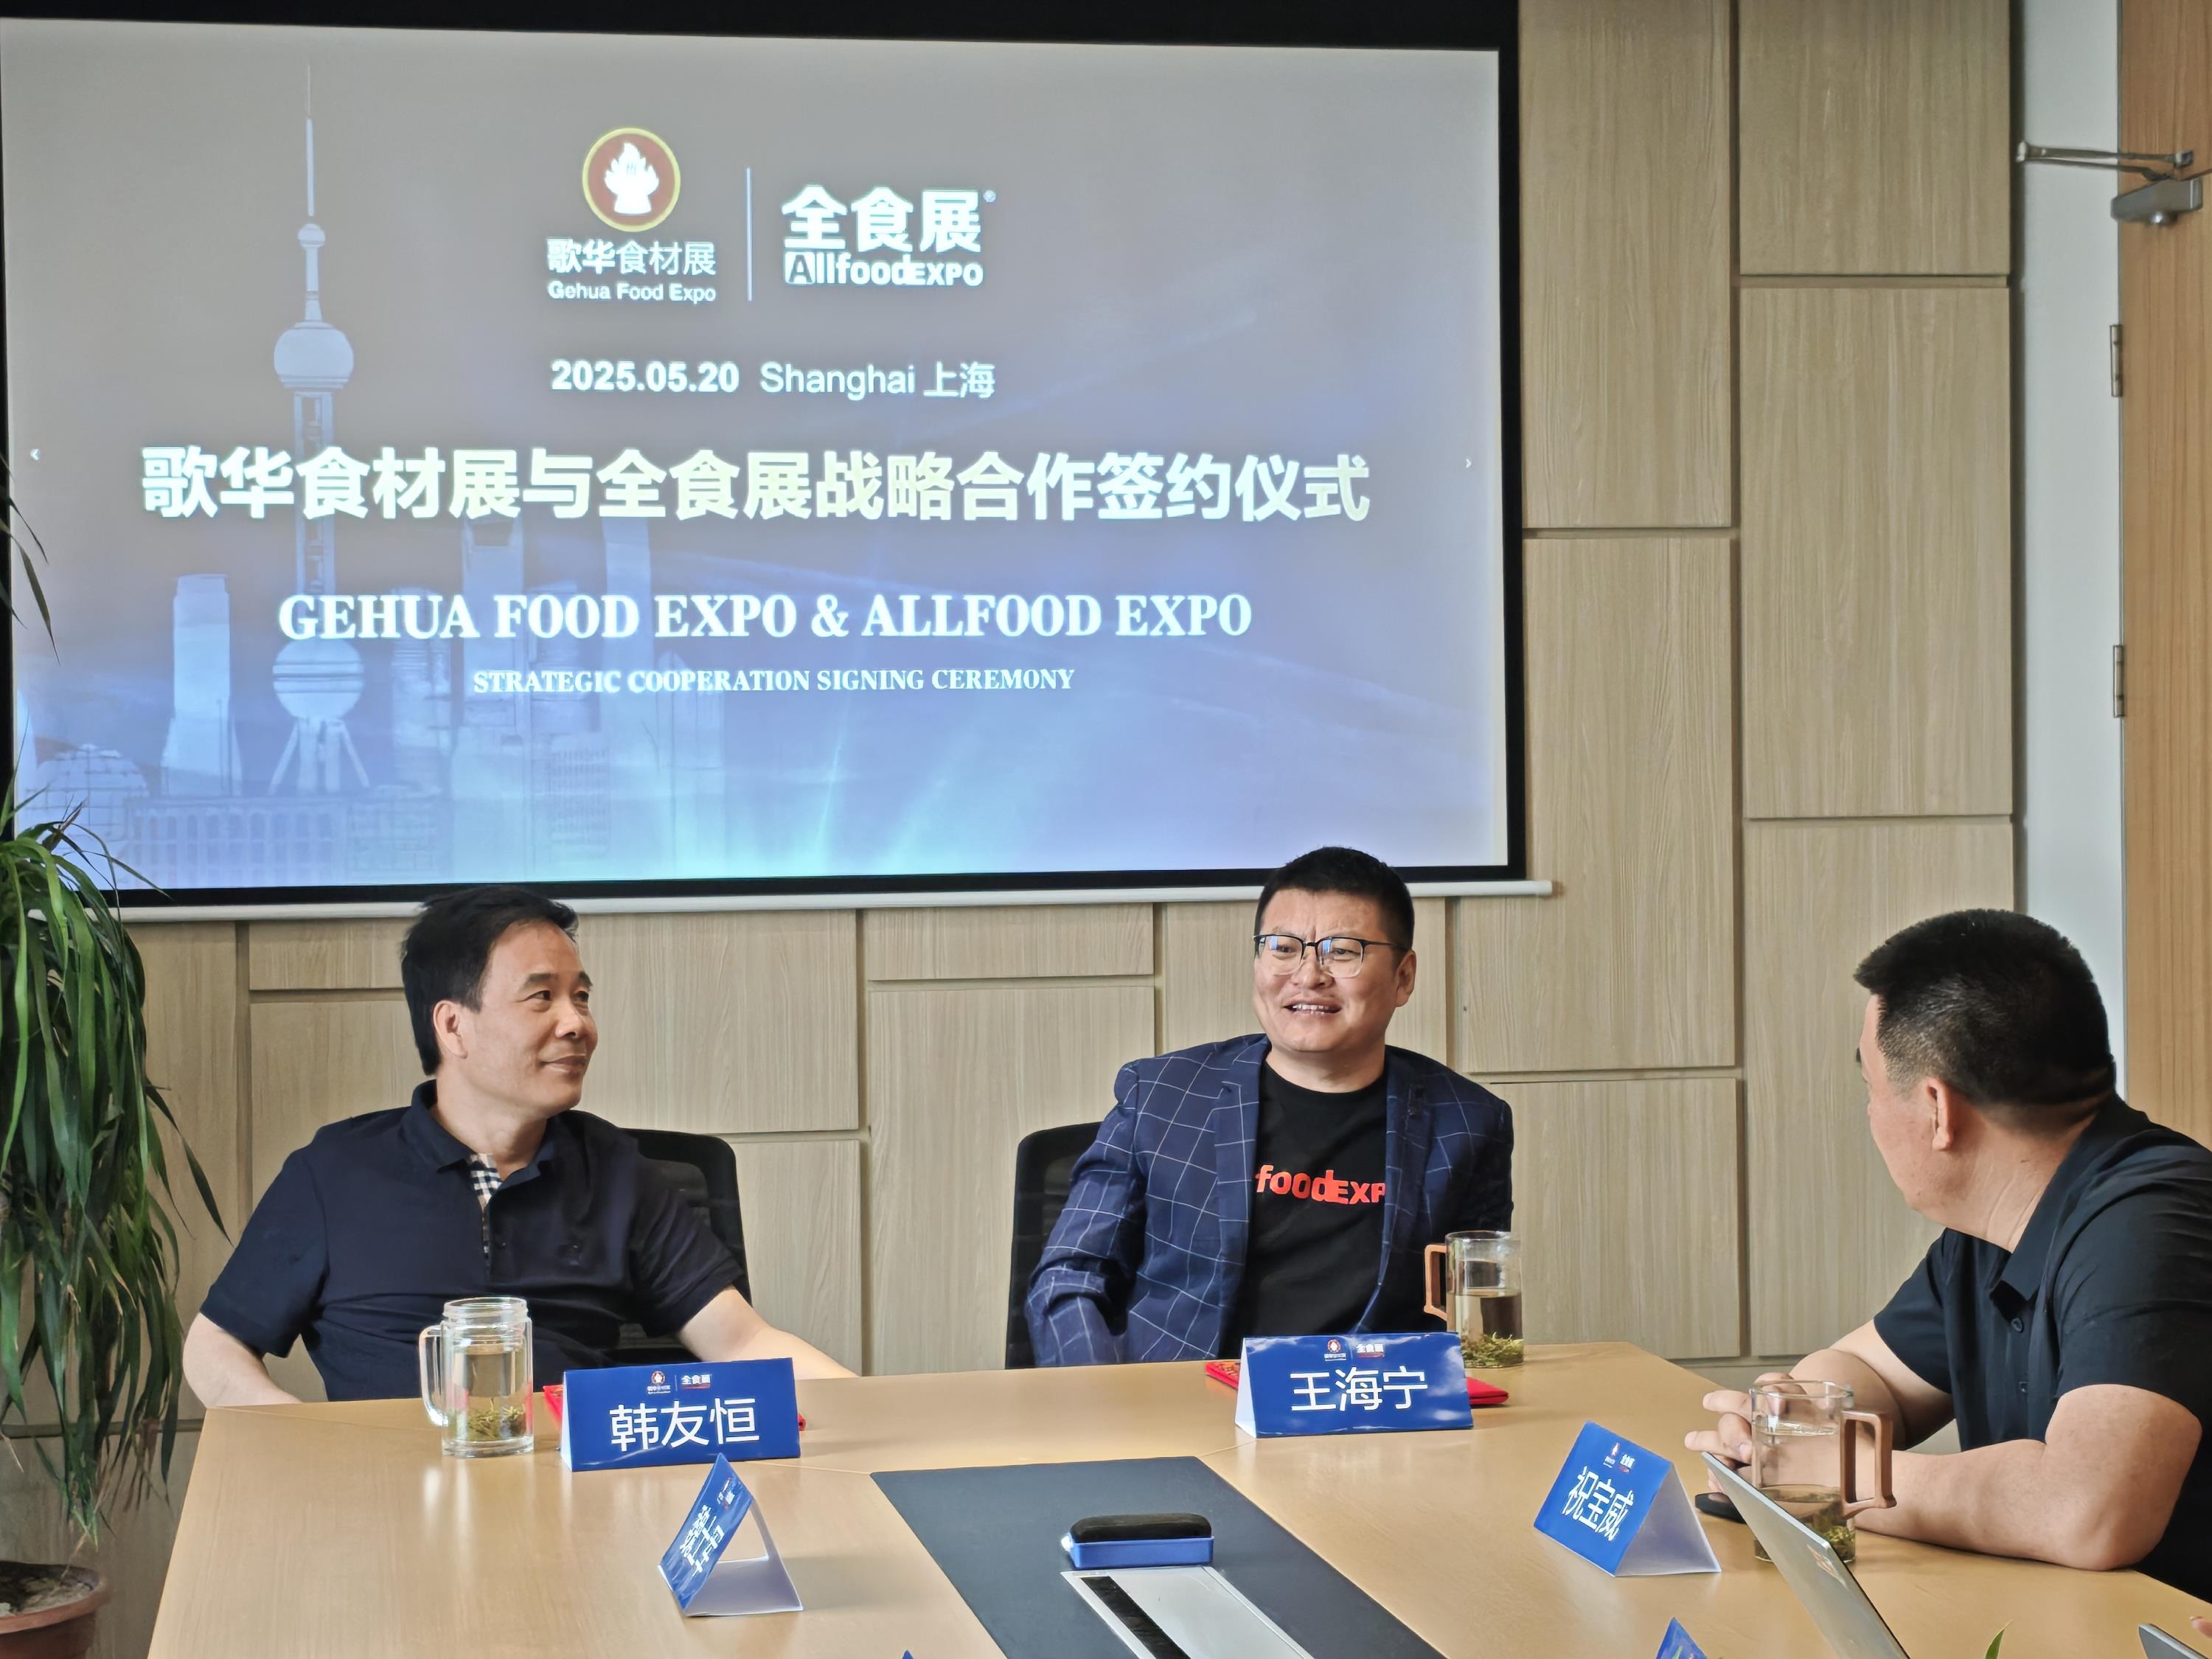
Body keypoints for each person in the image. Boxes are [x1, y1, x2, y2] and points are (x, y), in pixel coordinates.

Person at [1688, 909, 2212, 1597]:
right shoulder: (1990, 1231)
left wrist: (1832, 1472)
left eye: (1873, 1090)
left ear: (1937, 1108)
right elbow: (1868, 1372)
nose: (1871, 1115)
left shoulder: (2154, 1218)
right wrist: (1790, 1425)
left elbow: (2088, 1511)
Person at [184, 886, 850, 1404]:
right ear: (453, 1026)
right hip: (387, 1496)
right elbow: (215, 1348)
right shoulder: (335, 1172)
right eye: (542, 998)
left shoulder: (616, 1171)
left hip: (573, 1487)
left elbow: (742, 1343)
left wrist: (883, 1415)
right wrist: (310, 1447)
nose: (576, 1023)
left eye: (581, 997)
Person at [1026, 846, 1512, 1365]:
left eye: (1343, 951)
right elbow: (1069, 1277)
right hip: (1183, 1398)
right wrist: (1101, 1393)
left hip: (1368, 1403)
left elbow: (1479, 1330)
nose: (1308, 975)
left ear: (1403, 977)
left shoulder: (1468, 1123)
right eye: (1283, 947)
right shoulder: (1162, 1096)